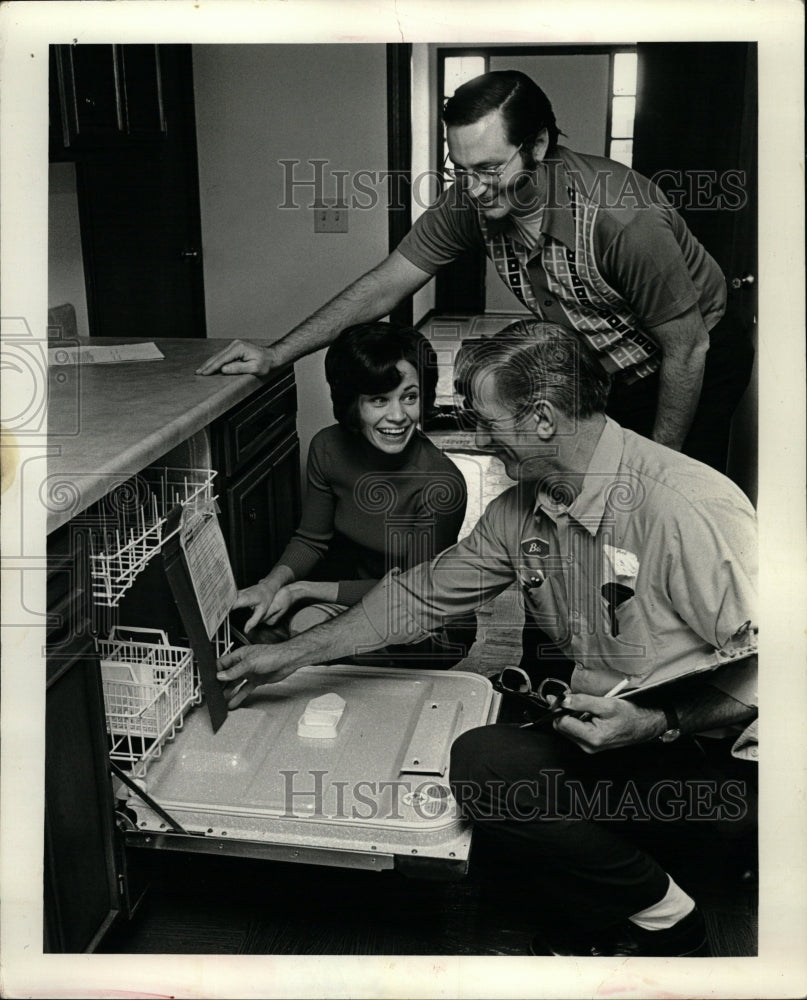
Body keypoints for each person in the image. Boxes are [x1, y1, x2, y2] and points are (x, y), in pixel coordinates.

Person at [216, 323, 758, 958]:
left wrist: (656, 719)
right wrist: (286, 655)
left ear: (544, 418)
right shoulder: (523, 508)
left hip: (722, 765)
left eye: (487, 420)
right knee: (484, 764)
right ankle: (647, 895)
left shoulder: (686, 509)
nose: (479, 438)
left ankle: (672, 925)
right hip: (623, 734)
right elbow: (418, 597)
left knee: (512, 804)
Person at [197, 70, 753, 474]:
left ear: (537, 143)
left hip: (695, 356)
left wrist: (660, 467)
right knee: (576, 492)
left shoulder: (624, 219)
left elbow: (688, 350)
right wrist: (276, 354)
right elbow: (385, 284)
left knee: (666, 493)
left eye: (489, 168)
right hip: (608, 362)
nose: (472, 187)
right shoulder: (471, 201)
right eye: (459, 169)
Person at [233, 320, 476, 667]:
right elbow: (311, 540)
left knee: (307, 641)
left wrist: (304, 590)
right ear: (351, 404)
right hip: (356, 595)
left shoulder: (441, 484)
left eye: (409, 397)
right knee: (270, 626)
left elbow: (411, 591)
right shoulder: (328, 448)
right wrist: (270, 584)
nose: (398, 416)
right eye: (378, 400)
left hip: (425, 613)